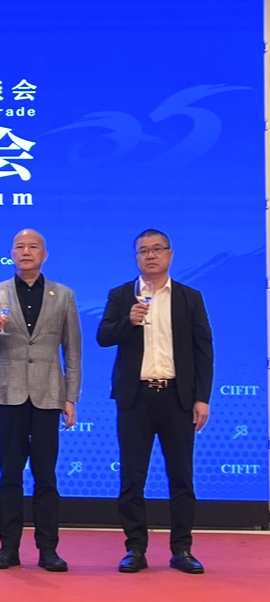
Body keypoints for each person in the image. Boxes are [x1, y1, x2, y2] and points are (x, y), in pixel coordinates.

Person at [96, 229, 213, 575]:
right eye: (143, 250)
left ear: (170, 254)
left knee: (181, 478)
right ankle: (135, 549)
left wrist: (202, 398)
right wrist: (127, 322)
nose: (150, 255)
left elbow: (203, 351)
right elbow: (104, 336)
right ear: (136, 257)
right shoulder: (121, 295)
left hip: (178, 398)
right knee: (132, 478)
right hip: (136, 398)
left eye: (157, 249)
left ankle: (182, 549)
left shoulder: (190, 297)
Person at [0, 229, 81, 572]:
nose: (26, 251)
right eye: (19, 246)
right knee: (10, 474)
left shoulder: (63, 295)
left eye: (33, 247)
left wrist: (71, 397)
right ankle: (8, 548)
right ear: (11, 254)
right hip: (10, 393)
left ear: (44, 254)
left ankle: (48, 549)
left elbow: (73, 350)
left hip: (49, 394)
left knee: (46, 476)